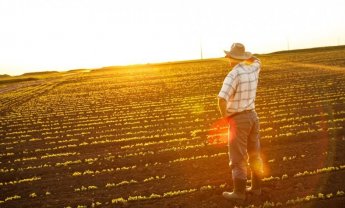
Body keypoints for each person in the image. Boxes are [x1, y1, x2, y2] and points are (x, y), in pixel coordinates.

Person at [217, 43, 264, 203]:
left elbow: (221, 99)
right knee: (254, 155)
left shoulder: (233, 74)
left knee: (237, 158)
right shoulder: (254, 68)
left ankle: (239, 192)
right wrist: (246, 56)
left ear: (230, 58)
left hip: (239, 120)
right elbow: (257, 60)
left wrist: (226, 118)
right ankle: (256, 188)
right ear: (243, 57)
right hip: (253, 117)